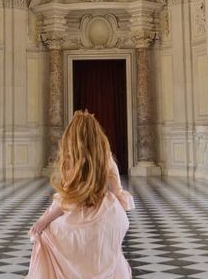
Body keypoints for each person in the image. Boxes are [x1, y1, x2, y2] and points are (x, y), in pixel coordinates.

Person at [26, 110, 134, 279]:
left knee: (50, 236)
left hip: (77, 218)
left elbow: (68, 201)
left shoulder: (72, 161)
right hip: (106, 216)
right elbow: (117, 192)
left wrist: (43, 221)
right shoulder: (106, 157)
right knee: (107, 254)